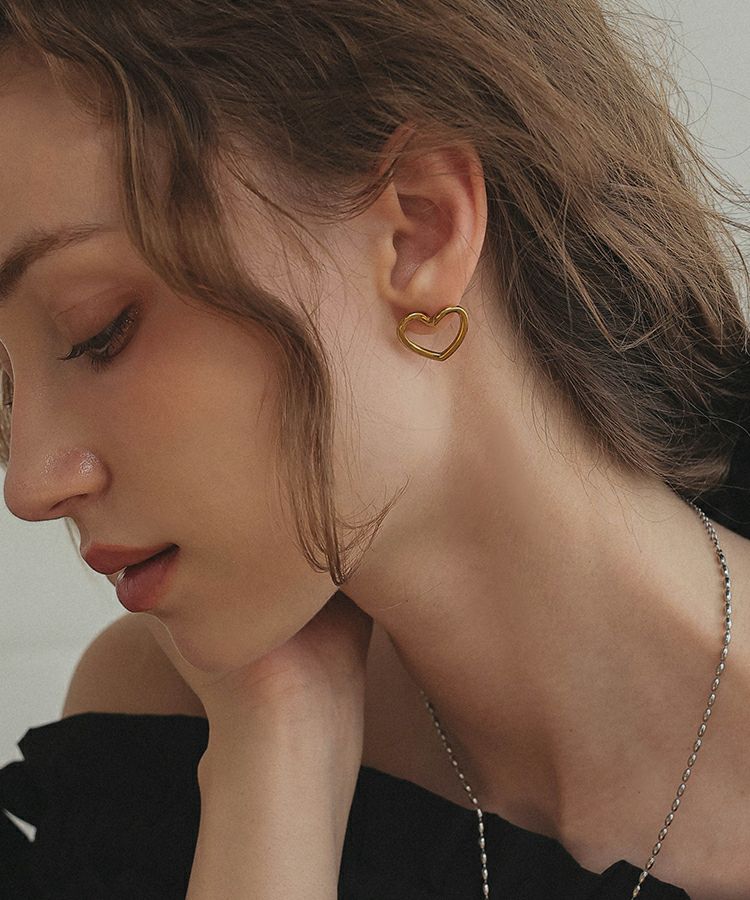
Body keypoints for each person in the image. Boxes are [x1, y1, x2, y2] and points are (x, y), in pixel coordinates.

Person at [0, 1, 748, 898]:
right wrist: (276, 752)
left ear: (418, 230)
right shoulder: (150, 746)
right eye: (2, 388)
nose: (28, 485)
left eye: (99, 330)